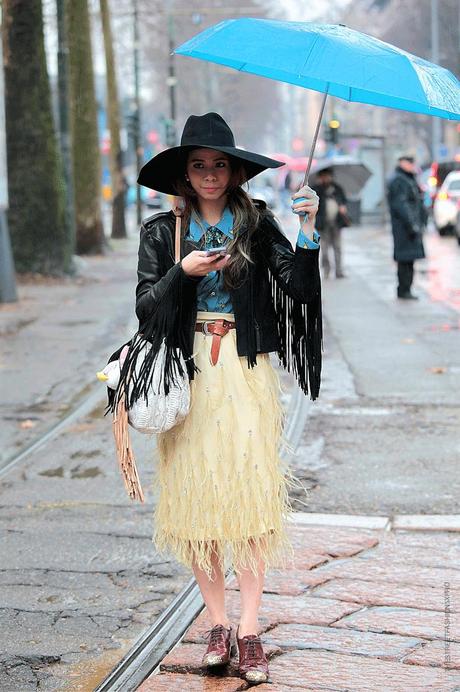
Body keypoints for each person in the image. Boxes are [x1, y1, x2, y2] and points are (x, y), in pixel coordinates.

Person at [133, 112, 322, 684]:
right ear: (185, 175)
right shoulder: (162, 231)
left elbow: (299, 286)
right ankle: (215, 623)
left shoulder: (258, 222)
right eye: (199, 166)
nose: (210, 174)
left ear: (235, 171)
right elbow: (145, 306)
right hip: (188, 373)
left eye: (219, 165)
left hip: (244, 371)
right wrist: (182, 272)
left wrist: (309, 229)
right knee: (196, 497)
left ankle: (249, 628)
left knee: (250, 496)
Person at [387, 156, 426, 300]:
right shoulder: (400, 180)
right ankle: (404, 290)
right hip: (405, 229)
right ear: (402, 163)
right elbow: (401, 205)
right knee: (405, 260)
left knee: (409, 260)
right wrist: (413, 225)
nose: (412, 165)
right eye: (409, 163)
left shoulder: (408, 179)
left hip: (409, 228)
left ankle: (406, 289)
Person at [311, 167, 348, 279]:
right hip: (323, 223)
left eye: (327, 176)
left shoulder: (337, 188)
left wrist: (342, 207)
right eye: (323, 176)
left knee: (337, 247)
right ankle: (326, 270)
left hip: (336, 222)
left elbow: (344, 201)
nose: (326, 178)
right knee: (325, 249)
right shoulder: (316, 190)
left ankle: (339, 271)